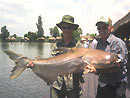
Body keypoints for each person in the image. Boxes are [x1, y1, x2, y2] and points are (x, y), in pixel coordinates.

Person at [88, 16, 128, 98]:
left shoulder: (117, 43)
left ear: (111, 28)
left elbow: (116, 67)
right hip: (103, 83)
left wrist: (97, 70)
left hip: (116, 84)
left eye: (105, 27)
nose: (102, 30)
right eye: (99, 28)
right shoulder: (98, 44)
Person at [50, 15, 84, 98]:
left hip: (74, 85)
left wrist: (79, 69)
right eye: (64, 27)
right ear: (61, 28)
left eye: (69, 27)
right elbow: (51, 63)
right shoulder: (56, 45)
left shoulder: (79, 46)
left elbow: (83, 66)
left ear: (73, 29)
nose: (66, 30)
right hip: (57, 84)